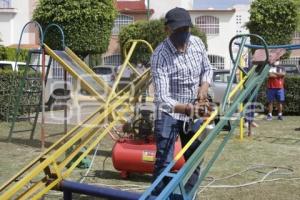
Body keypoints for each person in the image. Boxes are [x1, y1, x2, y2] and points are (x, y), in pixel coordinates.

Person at [150, 7, 213, 198]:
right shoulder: (159, 56)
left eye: (186, 30)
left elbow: (207, 68)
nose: (182, 35)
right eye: (178, 31)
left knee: (194, 156)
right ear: (167, 30)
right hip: (169, 112)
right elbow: (162, 97)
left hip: (193, 109)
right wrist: (188, 109)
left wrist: (204, 87)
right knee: (164, 161)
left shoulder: (197, 43)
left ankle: (188, 194)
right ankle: (161, 196)